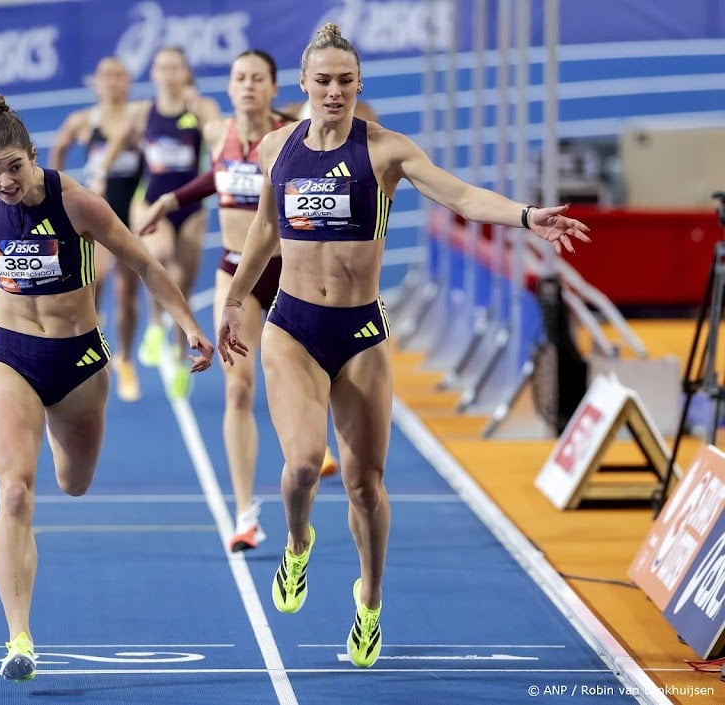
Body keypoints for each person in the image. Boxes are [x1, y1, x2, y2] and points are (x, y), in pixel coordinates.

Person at [216, 23, 590, 669]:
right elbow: (265, 231)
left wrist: (528, 217)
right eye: (323, 81)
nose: (334, 91)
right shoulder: (278, 148)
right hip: (293, 327)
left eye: (345, 80)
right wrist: (231, 300)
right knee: (302, 465)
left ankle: (369, 598)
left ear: (359, 83)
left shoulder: (385, 151)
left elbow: (462, 195)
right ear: (303, 84)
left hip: (360, 332)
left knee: (365, 486)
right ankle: (298, 544)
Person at [0, 93, 214, 683]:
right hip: (11, 357)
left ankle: (66, 465)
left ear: (34, 157)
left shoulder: (77, 203)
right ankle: (19, 638)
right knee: (14, 493)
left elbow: (143, 263)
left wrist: (189, 327)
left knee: (73, 482)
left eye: (15, 167)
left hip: (79, 363)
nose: (5, 182)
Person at [136, 49, 337, 554]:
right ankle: (245, 515)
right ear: (228, 87)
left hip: (291, 274)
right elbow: (220, 176)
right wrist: (170, 199)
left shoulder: (294, 135)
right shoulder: (216, 133)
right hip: (235, 274)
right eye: (240, 78)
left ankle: (316, 450)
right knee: (239, 391)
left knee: (303, 380)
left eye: (257, 78)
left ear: (274, 88)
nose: (248, 85)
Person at [101, 46, 220, 399]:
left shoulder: (200, 107)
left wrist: (204, 119)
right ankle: (154, 326)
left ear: (185, 73)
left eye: (175, 68)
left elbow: (219, 136)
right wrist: (101, 175)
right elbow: (116, 144)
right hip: (153, 200)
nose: (168, 74)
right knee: (160, 256)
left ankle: (181, 358)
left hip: (191, 206)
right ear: (153, 74)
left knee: (183, 286)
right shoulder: (142, 112)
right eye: (162, 68)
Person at [49, 56, 146, 403]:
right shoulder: (83, 121)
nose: (113, 81)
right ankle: (93, 345)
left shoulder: (139, 115)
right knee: (96, 281)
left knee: (127, 295)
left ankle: (126, 359)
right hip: (98, 215)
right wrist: (57, 193)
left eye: (120, 75)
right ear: (96, 82)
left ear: (128, 81)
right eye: (107, 75)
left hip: (131, 212)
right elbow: (58, 149)